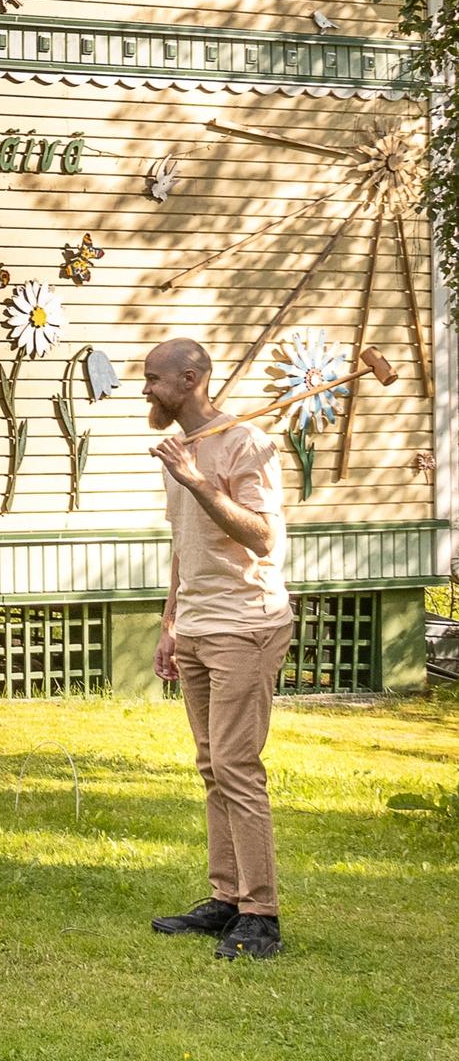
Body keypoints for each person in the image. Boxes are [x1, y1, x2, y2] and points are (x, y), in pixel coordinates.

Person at [143, 338, 294, 961]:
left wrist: (201, 481)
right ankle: (227, 897)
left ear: (192, 378)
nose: (147, 390)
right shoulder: (181, 450)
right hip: (200, 624)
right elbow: (185, 543)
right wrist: (171, 621)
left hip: (246, 623)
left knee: (237, 767)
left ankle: (262, 915)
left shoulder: (247, 445)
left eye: (155, 379)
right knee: (212, 768)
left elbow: (263, 539)